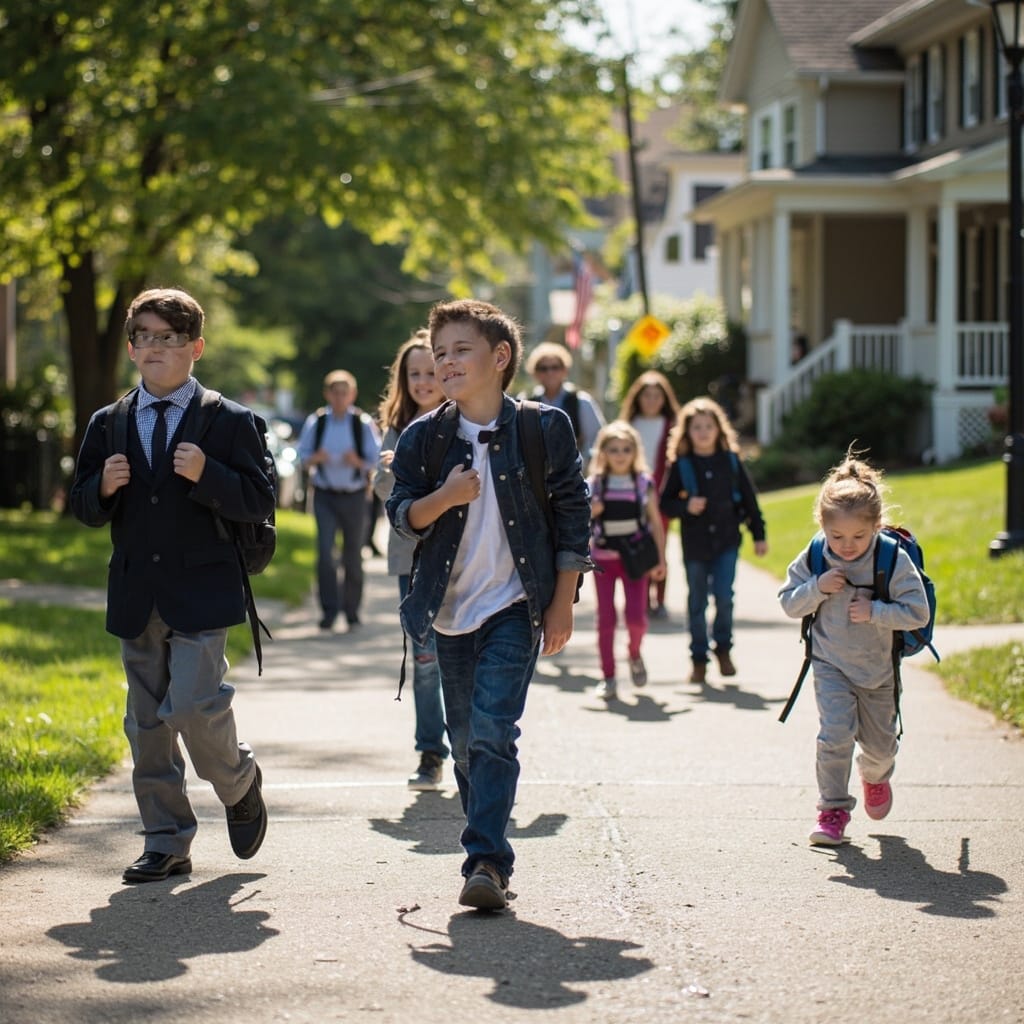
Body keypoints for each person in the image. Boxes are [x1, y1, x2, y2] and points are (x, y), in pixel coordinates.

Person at [386, 298, 593, 911]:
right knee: (466, 738)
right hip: (448, 610)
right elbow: (402, 516)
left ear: (500, 357)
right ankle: (486, 850)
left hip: (515, 605)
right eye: (439, 352)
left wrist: (563, 603)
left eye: (461, 350)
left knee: (494, 731)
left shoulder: (543, 428)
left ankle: (486, 862)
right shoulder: (424, 437)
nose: (446, 362)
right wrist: (446, 496)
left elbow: (573, 515)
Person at [69, 287, 274, 884]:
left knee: (191, 704)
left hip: (203, 591)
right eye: (144, 337)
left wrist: (208, 474)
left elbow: (259, 499)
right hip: (137, 592)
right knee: (147, 726)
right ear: (131, 348)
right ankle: (165, 840)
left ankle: (238, 781)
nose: (154, 347)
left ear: (195, 348)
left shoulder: (230, 420)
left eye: (169, 337)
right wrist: (102, 487)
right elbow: (82, 506)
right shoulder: (109, 422)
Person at [777, 453, 930, 847]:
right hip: (830, 664)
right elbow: (789, 602)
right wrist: (817, 587)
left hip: (878, 671)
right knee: (835, 735)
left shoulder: (891, 558)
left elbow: (918, 612)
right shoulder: (816, 555)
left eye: (859, 537)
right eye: (836, 537)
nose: (847, 546)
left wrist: (876, 611)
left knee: (881, 749)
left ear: (876, 526)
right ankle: (832, 811)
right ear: (822, 526)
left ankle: (874, 775)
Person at [373, 329, 448, 791]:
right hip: (411, 562)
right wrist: (389, 472)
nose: (423, 381)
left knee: (462, 659)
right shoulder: (397, 428)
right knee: (424, 659)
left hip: (461, 559)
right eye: (414, 374)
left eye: (430, 372)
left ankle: (471, 747)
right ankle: (430, 752)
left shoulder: (463, 421)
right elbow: (386, 494)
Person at [659, 397, 768, 684]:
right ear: (686, 431)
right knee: (697, 600)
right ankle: (698, 657)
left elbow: (749, 500)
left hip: (726, 541)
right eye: (697, 427)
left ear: (719, 429)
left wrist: (759, 535)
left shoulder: (730, 461)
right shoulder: (681, 465)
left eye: (709, 426)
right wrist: (686, 506)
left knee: (724, 596)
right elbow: (664, 503)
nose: (703, 432)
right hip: (695, 544)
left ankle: (723, 648)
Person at [296, 370, 382, 630]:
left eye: (344, 392)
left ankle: (352, 611)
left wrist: (358, 462)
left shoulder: (362, 423)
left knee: (353, 555)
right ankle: (329, 611)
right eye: (335, 392)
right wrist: (315, 459)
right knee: (325, 553)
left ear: (352, 395)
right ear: (327, 394)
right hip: (325, 495)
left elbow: (377, 460)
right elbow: (302, 456)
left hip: (354, 496)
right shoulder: (318, 422)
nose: (340, 397)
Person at [587, 421, 667, 701]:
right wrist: (592, 510)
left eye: (626, 449)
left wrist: (661, 560)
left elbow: (656, 523)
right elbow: (576, 518)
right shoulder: (594, 484)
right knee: (606, 619)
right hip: (603, 560)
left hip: (635, 559)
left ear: (635, 452)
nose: (620, 455)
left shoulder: (643, 483)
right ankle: (608, 676)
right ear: (603, 453)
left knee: (636, 619)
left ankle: (634, 653)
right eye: (613, 449)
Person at [619, 371, 679, 619]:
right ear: (638, 398)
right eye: (647, 396)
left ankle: (660, 598)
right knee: (637, 545)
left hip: (662, 494)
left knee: (659, 544)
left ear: (664, 399)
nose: (652, 401)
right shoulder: (629, 425)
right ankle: (641, 599)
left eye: (657, 396)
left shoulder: (672, 426)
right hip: (632, 494)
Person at [524, 341, 605, 461]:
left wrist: (583, 463)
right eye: (543, 368)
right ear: (535, 373)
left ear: (565, 370)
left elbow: (598, 440)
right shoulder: (525, 403)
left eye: (555, 367)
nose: (550, 373)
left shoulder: (581, 401)